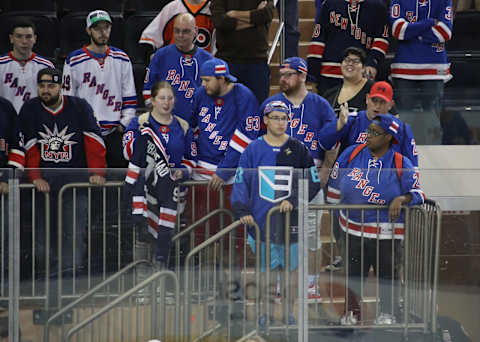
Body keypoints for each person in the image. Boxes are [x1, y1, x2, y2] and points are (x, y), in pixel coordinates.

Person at [326, 114, 425, 325]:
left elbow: (419, 194)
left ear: (389, 137)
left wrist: (402, 198)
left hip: (387, 234)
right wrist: (336, 225)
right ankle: (351, 312)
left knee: (387, 275)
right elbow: (333, 189)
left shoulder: (401, 162)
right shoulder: (351, 154)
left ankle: (387, 313)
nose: (367, 135)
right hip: (353, 229)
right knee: (354, 276)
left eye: (374, 132)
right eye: (368, 130)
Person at [231, 100, 321, 328]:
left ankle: (289, 314)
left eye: (284, 119)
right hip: (263, 225)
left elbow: (313, 183)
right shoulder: (252, 149)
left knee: (290, 275)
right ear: (266, 120)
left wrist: (294, 200)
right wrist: (242, 210)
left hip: (290, 225)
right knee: (266, 275)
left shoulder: (298, 148)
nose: (280, 123)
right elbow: (241, 182)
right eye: (276, 118)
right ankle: (264, 314)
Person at [19, 67, 106, 278]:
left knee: (73, 238)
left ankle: (67, 289)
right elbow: (28, 147)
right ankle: (43, 289)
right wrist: (36, 177)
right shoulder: (30, 109)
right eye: (42, 86)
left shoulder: (79, 107)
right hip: (42, 189)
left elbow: (94, 141)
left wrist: (96, 172)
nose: (46, 90)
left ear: (61, 86)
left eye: (51, 85)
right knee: (41, 243)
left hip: (75, 186)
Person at [259, 57, 337, 255]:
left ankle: (311, 284)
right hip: (277, 177)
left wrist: (326, 171)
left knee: (311, 236)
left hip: (310, 175)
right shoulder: (271, 104)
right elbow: (259, 142)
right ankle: (278, 284)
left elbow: (333, 141)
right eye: (281, 75)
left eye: (288, 75)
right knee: (277, 233)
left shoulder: (320, 104)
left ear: (302, 75)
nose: (282, 79)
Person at [124, 81, 197, 269]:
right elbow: (128, 152)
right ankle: (141, 289)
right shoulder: (139, 123)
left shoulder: (182, 126)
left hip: (173, 191)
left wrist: (183, 171)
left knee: (168, 235)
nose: (166, 102)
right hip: (146, 190)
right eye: (162, 98)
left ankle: (164, 287)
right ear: (153, 101)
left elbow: (191, 158)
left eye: (170, 98)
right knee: (143, 236)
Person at [189, 57, 260, 245]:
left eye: (207, 80)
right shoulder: (200, 95)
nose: (203, 84)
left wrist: (224, 171)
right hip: (202, 172)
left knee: (233, 232)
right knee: (200, 230)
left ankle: (233, 274)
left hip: (233, 175)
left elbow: (247, 136)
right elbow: (189, 126)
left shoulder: (244, 96)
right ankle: (201, 272)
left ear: (221, 79)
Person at [63, 10, 137, 168]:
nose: (103, 32)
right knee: (86, 181)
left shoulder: (122, 58)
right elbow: (68, 99)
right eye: (97, 28)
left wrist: (123, 124)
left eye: (106, 27)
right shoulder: (74, 60)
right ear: (88, 30)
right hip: (85, 132)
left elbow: (130, 97)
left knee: (117, 182)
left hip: (114, 132)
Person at [390, 0, 453, 145]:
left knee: (432, 120)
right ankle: (402, 158)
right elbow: (398, 30)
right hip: (404, 69)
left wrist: (411, 32)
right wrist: (429, 22)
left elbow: (445, 32)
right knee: (404, 120)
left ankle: (435, 160)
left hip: (434, 69)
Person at [143, 13, 214, 126]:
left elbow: (214, 97)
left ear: (195, 31)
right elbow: (147, 89)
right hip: (164, 125)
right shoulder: (160, 56)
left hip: (198, 127)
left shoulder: (208, 60)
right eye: (176, 31)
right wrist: (158, 117)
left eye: (185, 31)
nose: (180, 35)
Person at [306, 0, 390, 96]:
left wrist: (372, 62)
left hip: (362, 76)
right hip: (330, 75)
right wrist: (313, 76)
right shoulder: (329, 4)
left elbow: (382, 39)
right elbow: (318, 40)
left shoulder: (378, 6)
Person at [335, 81, 418, 167]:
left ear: (390, 104)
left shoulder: (402, 129)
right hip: (355, 177)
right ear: (367, 99)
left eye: (382, 102)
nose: (377, 106)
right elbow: (326, 144)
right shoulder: (352, 121)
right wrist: (338, 125)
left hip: (387, 178)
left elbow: (413, 168)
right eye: (374, 100)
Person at [211, 0, 274, 104]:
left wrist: (235, 14)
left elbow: (266, 14)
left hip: (257, 62)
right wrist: (254, 20)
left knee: (257, 112)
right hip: (227, 62)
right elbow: (220, 21)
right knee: (225, 111)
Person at [0, 18, 54, 113]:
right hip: (5, 121)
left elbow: (53, 99)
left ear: (35, 39)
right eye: (19, 36)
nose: (24, 41)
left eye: (28, 37)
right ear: (11, 38)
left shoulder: (46, 66)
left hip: (36, 121)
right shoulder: (1, 65)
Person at [139, 0, 216, 62]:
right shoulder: (172, 8)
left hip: (203, 66)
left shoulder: (214, 10)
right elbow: (148, 39)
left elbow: (217, 48)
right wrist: (152, 55)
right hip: (172, 63)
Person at [323, 47, 375, 116]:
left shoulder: (374, 89)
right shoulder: (330, 94)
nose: (350, 63)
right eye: (347, 60)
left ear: (363, 68)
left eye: (356, 61)